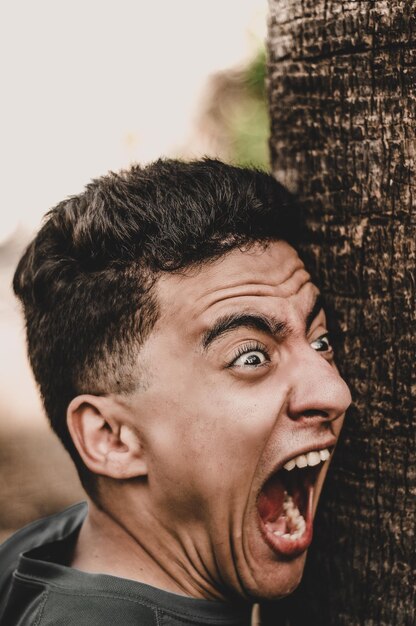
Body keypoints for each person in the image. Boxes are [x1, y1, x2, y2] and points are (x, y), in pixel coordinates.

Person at [0, 159, 351, 625]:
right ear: (111, 437)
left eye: (320, 341)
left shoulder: (49, 549)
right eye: (250, 357)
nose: (335, 391)